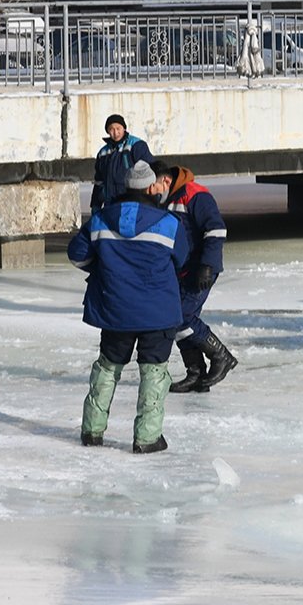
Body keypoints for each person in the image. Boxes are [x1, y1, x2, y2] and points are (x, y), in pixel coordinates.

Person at [68, 160, 188, 453]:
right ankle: (147, 438)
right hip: (157, 312)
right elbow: (181, 259)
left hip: (115, 310)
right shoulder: (169, 223)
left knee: (108, 368)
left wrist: (105, 270)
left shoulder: (101, 219)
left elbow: (76, 254)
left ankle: (92, 431)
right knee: (154, 371)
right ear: (150, 187)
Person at [152, 160, 237, 393]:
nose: (151, 190)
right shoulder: (165, 200)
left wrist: (207, 265)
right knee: (176, 319)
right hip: (180, 270)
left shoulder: (196, 195)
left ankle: (221, 356)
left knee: (181, 316)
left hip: (200, 269)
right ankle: (196, 372)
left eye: (154, 185)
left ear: (166, 180)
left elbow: (216, 230)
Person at [90, 113, 155, 213]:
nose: (115, 132)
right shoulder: (103, 153)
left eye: (118, 128)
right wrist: (95, 204)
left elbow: (150, 171)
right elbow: (99, 181)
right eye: (111, 129)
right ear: (108, 131)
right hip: (111, 204)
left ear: (124, 128)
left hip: (132, 203)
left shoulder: (136, 145)